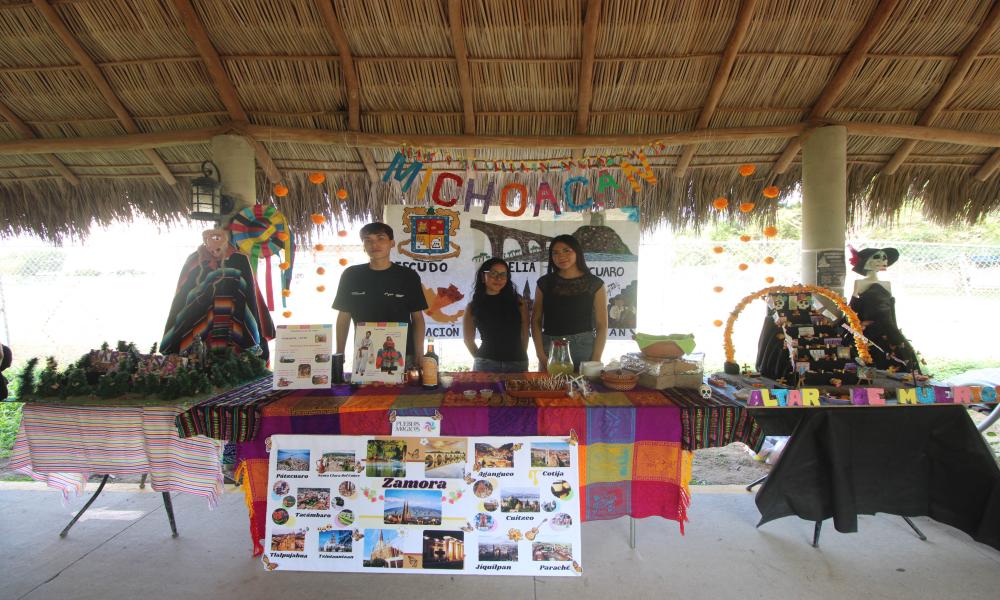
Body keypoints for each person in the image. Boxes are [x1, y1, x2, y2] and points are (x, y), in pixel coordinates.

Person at [333, 222, 427, 366]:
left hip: (402, 356)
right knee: (364, 390)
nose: (374, 244)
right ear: (363, 246)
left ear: (392, 243)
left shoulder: (408, 276)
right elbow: (343, 316)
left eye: (380, 238)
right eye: (368, 240)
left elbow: (418, 318)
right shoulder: (351, 275)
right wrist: (340, 353)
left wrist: (419, 353)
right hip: (365, 355)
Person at [531, 234, 608, 371]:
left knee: (583, 391)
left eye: (566, 250)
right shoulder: (544, 283)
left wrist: (596, 358)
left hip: (583, 347)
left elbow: (602, 325)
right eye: (555, 253)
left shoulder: (595, 284)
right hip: (551, 347)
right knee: (550, 390)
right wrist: (540, 354)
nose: (561, 256)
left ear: (577, 252)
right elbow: (535, 320)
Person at [845, 246, 921, 372]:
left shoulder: (887, 284)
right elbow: (853, 306)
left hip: (888, 328)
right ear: (866, 261)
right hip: (868, 329)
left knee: (899, 360)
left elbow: (891, 309)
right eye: (877, 257)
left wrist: (895, 330)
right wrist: (856, 324)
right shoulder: (859, 283)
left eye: (884, 257)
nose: (883, 260)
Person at [462, 257, 529, 372]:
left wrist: (519, 355)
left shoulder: (519, 302)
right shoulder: (473, 306)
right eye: (493, 273)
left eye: (503, 274)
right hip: (486, 364)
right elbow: (468, 340)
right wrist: (481, 359)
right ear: (483, 277)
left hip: (517, 363)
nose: (499, 278)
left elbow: (525, 335)